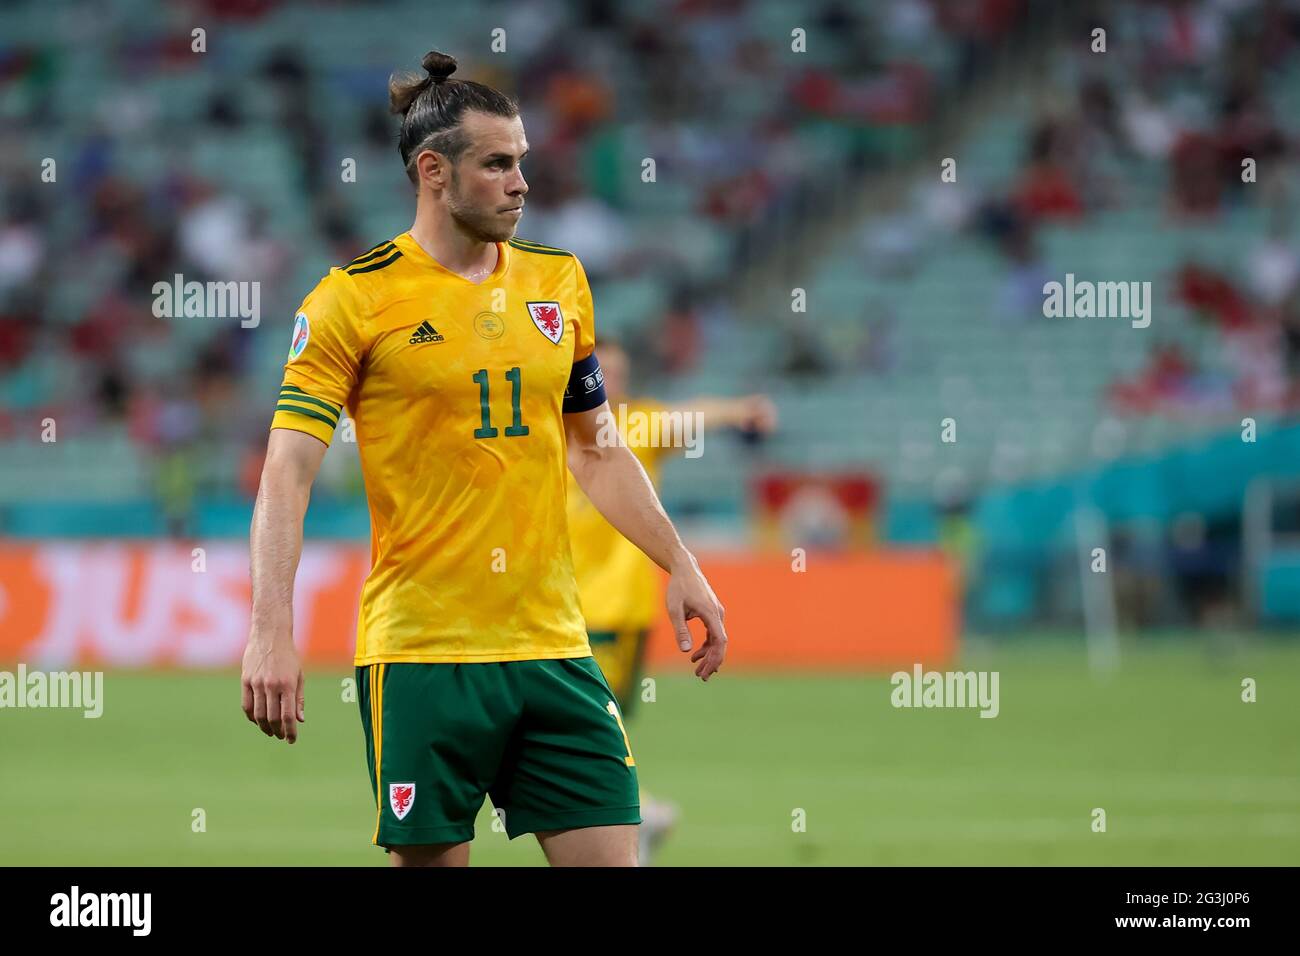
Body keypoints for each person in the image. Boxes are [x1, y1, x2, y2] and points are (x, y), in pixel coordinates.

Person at [239, 50, 728, 868]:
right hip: (426, 655)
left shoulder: (558, 283)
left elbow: (598, 450)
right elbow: (286, 474)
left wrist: (679, 563)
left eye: (523, 162)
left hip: (552, 645)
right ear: (434, 171)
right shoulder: (350, 302)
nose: (521, 183)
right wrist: (269, 630)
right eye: (498, 164)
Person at [567, 336, 774, 863]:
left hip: (614, 608)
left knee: (588, 723)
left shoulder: (633, 429)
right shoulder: (552, 427)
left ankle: (628, 822)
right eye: (601, 372)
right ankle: (638, 816)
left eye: (618, 374)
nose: (610, 383)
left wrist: (738, 411)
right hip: (553, 605)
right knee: (575, 726)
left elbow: (693, 413)